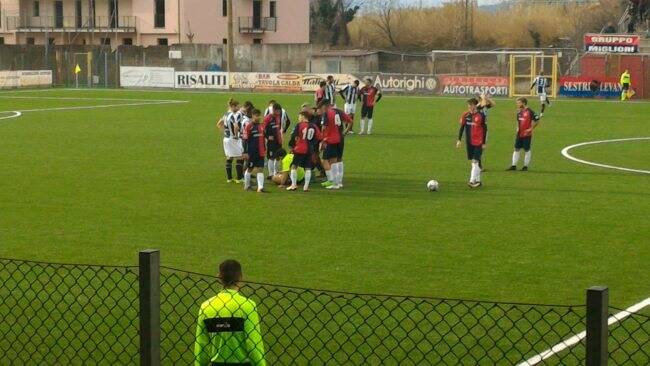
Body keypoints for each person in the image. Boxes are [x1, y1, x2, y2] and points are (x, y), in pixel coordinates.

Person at [194, 259, 266, 366]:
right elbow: (253, 344)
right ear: (241, 277)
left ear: (219, 277)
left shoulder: (206, 306)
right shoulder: (248, 305)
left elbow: (201, 345)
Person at [319, 99, 352, 190]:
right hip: (340, 138)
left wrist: (322, 141)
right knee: (338, 160)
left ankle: (333, 182)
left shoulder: (326, 113)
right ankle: (339, 182)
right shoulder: (339, 111)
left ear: (324, 106)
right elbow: (350, 121)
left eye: (321, 108)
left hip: (330, 140)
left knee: (326, 160)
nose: (321, 110)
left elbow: (323, 128)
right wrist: (344, 133)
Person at [456, 98, 487, 188]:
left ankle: (472, 181)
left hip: (479, 142)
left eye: (470, 105)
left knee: (475, 161)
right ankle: (478, 181)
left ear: (475, 105)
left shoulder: (481, 115)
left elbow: (485, 129)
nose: (469, 106)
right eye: (468, 105)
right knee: (474, 162)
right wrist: (459, 140)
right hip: (469, 142)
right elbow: (462, 127)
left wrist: (484, 142)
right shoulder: (466, 115)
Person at [287, 111, 322, 191]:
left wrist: (291, 146)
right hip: (309, 149)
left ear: (303, 117)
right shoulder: (314, 126)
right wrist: (312, 143)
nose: (299, 118)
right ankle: (306, 187)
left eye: (299, 116)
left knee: (294, 166)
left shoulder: (299, 125)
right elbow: (319, 137)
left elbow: (294, 136)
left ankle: (293, 185)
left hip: (299, 149)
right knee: (308, 168)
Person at [507, 97, 541, 172]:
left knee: (527, 149)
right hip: (519, 134)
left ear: (523, 103)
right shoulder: (519, 112)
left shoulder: (530, 111)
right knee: (516, 149)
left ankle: (525, 166)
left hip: (527, 134)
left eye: (519, 103)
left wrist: (531, 129)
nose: (517, 104)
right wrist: (517, 128)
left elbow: (537, 120)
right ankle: (513, 165)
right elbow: (518, 121)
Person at [217, 98, 244, 184]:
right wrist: (236, 135)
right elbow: (236, 126)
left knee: (229, 157)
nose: (239, 108)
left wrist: (224, 133)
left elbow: (218, 124)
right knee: (240, 157)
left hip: (226, 138)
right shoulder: (233, 115)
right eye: (237, 106)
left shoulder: (226, 114)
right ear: (233, 106)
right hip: (233, 139)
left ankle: (229, 178)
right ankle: (239, 179)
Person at [242, 109, 267, 192]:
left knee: (260, 169)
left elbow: (263, 139)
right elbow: (245, 140)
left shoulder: (262, 126)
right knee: (250, 168)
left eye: (259, 115)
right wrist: (245, 152)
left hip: (261, 151)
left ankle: (260, 188)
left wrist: (265, 149)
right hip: (252, 152)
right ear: (252, 116)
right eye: (256, 115)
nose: (258, 117)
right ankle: (247, 186)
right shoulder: (249, 126)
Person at [262, 103, 284, 179]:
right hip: (271, 142)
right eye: (277, 111)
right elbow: (263, 130)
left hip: (278, 140)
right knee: (271, 157)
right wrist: (267, 136)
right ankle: (271, 174)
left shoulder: (278, 117)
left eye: (279, 111)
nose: (279, 113)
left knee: (278, 157)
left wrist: (280, 137)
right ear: (274, 110)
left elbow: (279, 128)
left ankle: (276, 172)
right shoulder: (267, 118)